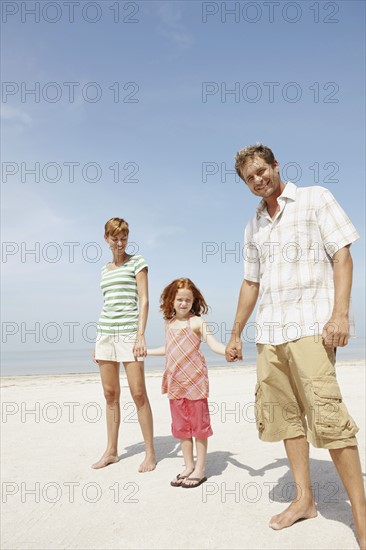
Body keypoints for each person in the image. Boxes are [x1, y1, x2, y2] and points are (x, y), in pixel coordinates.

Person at [225, 144, 366, 549]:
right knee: (286, 419)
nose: (258, 180)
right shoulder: (253, 226)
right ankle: (304, 499)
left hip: (311, 327)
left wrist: (340, 314)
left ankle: (360, 513)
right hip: (269, 334)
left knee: (329, 417)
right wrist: (236, 333)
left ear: (275, 166)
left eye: (261, 171)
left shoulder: (314, 198)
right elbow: (251, 283)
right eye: (250, 178)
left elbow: (342, 254)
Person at [148, 278, 226, 488]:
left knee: (199, 427)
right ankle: (188, 466)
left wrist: (228, 350)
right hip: (175, 383)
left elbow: (213, 344)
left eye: (188, 300)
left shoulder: (197, 322)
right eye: (179, 299)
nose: (183, 303)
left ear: (194, 301)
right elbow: (168, 349)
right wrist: (145, 351)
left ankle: (200, 468)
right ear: (171, 301)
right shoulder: (169, 323)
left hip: (195, 382)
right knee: (181, 428)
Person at [92, 217, 156, 472]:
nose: (119, 242)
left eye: (123, 237)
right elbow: (107, 306)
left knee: (138, 393)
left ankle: (150, 452)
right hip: (105, 334)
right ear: (106, 239)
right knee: (110, 395)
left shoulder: (137, 262)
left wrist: (140, 336)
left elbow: (144, 301)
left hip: (130, 334)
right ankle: (112, 451)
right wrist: (98, 339)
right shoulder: (104, 270)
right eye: (114, 238)